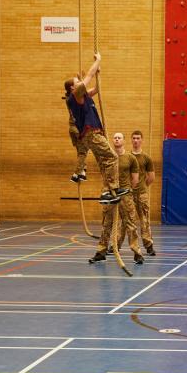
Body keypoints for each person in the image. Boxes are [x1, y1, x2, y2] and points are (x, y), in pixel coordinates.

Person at [63, 53, 122, 205]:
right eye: (78, 81)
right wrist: (98, 60)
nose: (81, 82)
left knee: (104, 162)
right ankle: (110, 189)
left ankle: (109, 190)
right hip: (91, 133)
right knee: (112, 157)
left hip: (93, 134)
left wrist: (98, 74)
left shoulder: (83, 95)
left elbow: (96, 88)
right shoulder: (75, 95)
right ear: (72, 87)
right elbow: (88, 76)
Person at [91, 133, 144, 265]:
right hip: (109, 194)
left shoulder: (130, 158)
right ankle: (101, 251)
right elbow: (103, 174)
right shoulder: (107, 158)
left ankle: (137, 252)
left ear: (124, 141)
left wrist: (127, 190)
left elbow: (135, 179)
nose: (117, 139)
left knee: (130, 223)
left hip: (125, 195)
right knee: (106, 223)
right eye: (114, 137)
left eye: (119, 137)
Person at [130, 130, 156, 256]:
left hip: (142, 194)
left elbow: (151, 177)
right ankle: (115, 245)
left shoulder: (146, 158)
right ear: (131, 140)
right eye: (134, 138)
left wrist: (143, 186)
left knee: (144, 221)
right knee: (125, 222)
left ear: (142, 140)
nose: (136, 140)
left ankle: (149, 245)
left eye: (138, 138)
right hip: (128, 194)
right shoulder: (126, 156)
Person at [66, 95, 88, 183]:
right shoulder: (75, 100)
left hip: (72, 129)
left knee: (80, 151)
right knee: (83, 152)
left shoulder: (69, 99)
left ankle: (83, 171)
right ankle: (76, 174)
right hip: (77, 129)